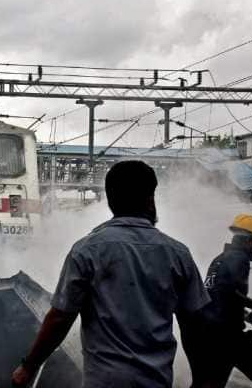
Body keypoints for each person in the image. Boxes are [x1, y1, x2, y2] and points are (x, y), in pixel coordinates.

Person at [11, 160, 210, 388]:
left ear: (110, 200)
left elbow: (60, 318)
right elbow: (195, 325)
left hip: (104, 381)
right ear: (150, 198)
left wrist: (29, 367)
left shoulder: (87, 250)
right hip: (156, 381)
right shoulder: (177, 254)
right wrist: (203, 380)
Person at [192, 214, 252, 387]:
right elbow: (228, 291)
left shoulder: (220, 259)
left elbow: (219, 296)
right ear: (250, 242)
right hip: (227, 336)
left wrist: (245, 314)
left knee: (209, 382)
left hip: (211, 333)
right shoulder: (239, 258)